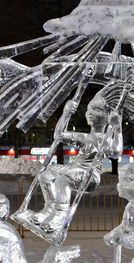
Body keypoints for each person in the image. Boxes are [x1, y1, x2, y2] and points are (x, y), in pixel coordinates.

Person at [13, 88, 122, 245]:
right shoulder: (84, 137)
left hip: (90, 175)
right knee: (47, 173)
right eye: (89, 110)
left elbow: (116, 151)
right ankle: (49, 209)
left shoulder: (105, 139)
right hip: (75, 169)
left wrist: (117, 128)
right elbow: (58, 136)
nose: (90, 113)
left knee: (63, 179)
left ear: (107, 116)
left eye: (97, 110)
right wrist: (66, 114)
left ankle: (59, 215)